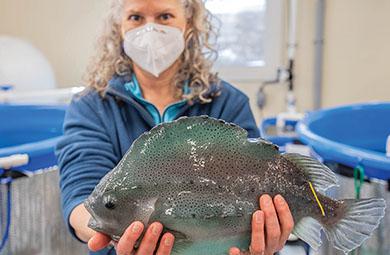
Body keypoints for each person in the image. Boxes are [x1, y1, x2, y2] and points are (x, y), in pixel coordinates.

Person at [56, 0, 295, 255]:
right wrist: (106, 233)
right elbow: (82, 193)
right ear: (119, 26)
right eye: (136, 17)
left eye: (165, 16)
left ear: (188, 24)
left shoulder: (229, 103)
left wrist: (262, 240)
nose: (150, 29)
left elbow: (261, 178)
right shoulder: (92, 106)